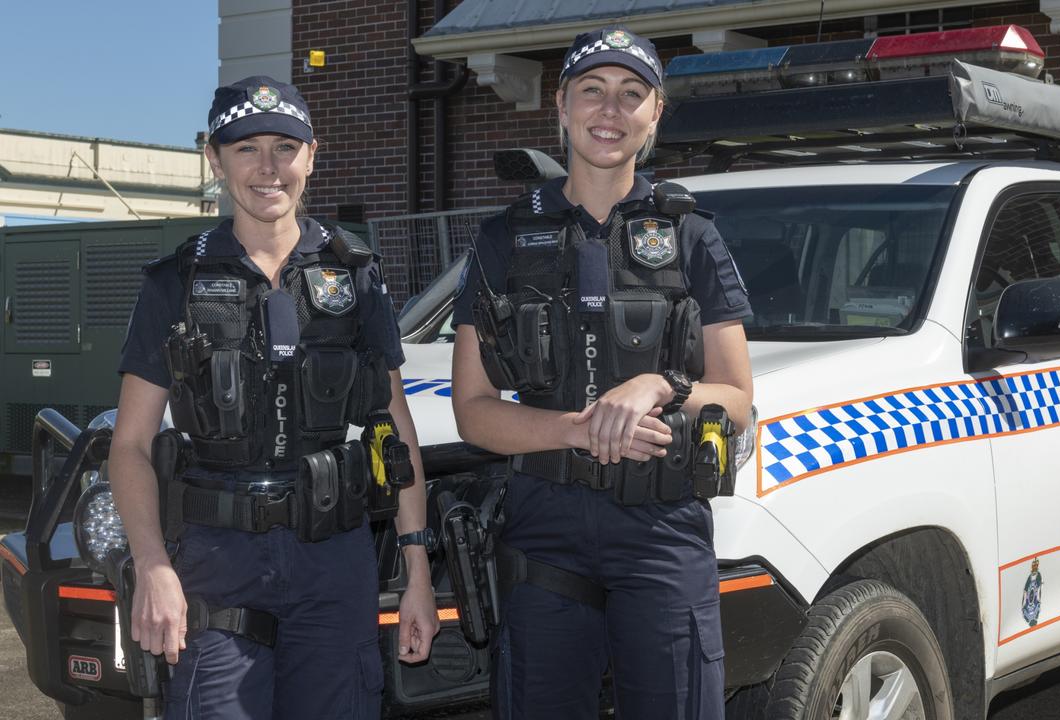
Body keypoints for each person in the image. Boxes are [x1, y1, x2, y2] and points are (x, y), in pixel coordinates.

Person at [107, 76, 438, 719]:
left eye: (284, 147)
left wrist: (417, 570)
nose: (268, 168)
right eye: (245, 148)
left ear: (311, 155)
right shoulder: (174, 282)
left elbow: (394, 435)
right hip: (213, 558)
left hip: (333, 557)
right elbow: (129, 446)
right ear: (214, 158)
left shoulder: (357, 278)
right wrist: (152, 566)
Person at [451, 27, 753, 720]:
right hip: (544, 528)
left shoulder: (691, 234)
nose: (609, 111)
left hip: (661, 527)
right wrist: (578, 429)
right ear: (560, 107)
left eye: (630, 94)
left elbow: (736, 399)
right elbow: (472, 407)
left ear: (655, 114)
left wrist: (661, 386)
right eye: (592, 91)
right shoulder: (502, 238)